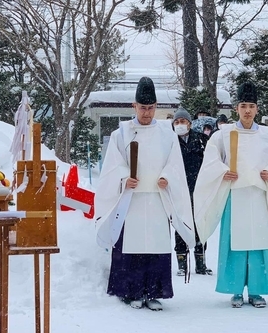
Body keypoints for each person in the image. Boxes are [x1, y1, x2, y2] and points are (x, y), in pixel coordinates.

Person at [94, 77, 196, 311]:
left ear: (156, 107)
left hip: (157, 197)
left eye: (151, 108)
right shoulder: (122, 133)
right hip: (132, 199)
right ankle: (131, 292)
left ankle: (154, 292)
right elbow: (112, 165)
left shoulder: (166, 133)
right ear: (134, 106)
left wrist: (167, 177)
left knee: (155, 245)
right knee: (133, 246)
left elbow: (175, 163)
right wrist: (123, 178)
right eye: (142, 108)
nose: (147, 113)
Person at [193, 81, 268, 308]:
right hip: (234, 196)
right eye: (243, 105)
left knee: (260, 243)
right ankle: (235, 289)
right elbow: (211, 160)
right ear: (236, 108)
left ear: (257, 109)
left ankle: (258, 290)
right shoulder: (224, 135)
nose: (247, 110)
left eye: (251, 106)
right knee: (234, 243)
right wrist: (222, 172)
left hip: (259, 196)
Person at [172, 107, 212, 276]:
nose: (180, 125)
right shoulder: (170, 142)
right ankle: (182, 263)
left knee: (200, 225)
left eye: (183, 121)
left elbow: (211, 162)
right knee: (181, 224)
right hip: (179, 189)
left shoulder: (202, 140)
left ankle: (201, 262)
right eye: (177, 122)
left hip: (199, 188)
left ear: (190, 123)